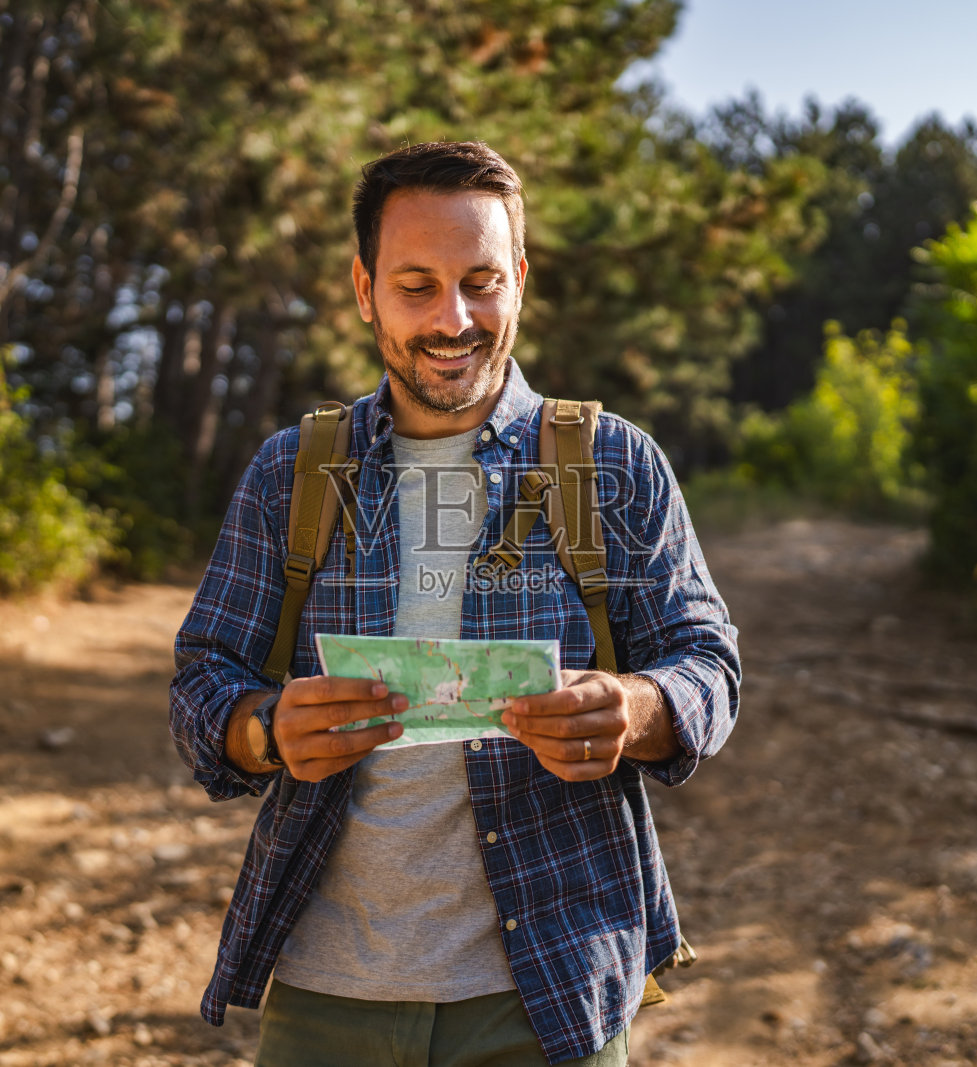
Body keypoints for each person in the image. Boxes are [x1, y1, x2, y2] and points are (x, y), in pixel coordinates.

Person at [169, 140, 739, 1067]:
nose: (454, 318)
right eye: (416, 285)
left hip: (552, 989)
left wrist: (634, 711)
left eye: (480, 281)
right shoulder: (292, 473)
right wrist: (264, 728)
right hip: (326, 995)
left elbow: (707, 662)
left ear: (519, 279)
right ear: (365, 291)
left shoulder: (613, 463)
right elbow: (201, 681)